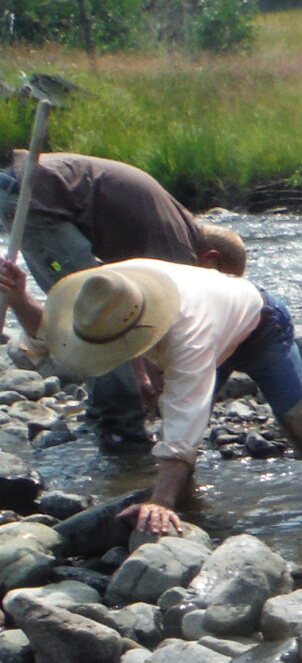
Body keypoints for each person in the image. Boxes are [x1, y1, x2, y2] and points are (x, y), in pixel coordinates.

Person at [0, 255, 302, 536]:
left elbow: (186, 418)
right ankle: (190, 508)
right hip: (197, 315)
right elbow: (47, 337)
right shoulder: (100, 296)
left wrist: (158, 503)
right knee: (170, 407)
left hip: (258, 324)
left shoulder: (189, 337)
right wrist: (18, 296)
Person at [0, 150, 251, 445]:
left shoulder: (176, 231)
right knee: (92, 313)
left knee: (93, 309)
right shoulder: (178, 254)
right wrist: (153, 383)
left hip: (26, 185)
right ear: (210, 258)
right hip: (33, 192)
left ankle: (111, 414)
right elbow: (152, 330)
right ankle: (117, 424)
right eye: (220, 279)